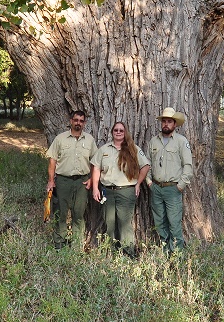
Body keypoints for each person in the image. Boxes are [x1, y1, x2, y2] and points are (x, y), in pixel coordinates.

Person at [90, 121, 150, 257]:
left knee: (124, 224)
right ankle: (111, 254)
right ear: (112, 132)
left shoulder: (133, 148)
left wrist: (138, 183)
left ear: (125, 133)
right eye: (116, 130)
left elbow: (145, 166)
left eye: (121, 130)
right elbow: (96, 168)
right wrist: (95, 188)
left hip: (126, 192)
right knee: (109, 223)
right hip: (107, 192)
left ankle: (129, 253)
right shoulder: (104, 149)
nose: (118, 132)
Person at [46, 110, 97, 249]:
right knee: (61, 213)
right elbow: (52, 161)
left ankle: (76, 247)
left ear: (84, 123)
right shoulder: (60, 139)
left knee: (78, 214)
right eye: (76, 120)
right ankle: (59, 245)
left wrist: (92, 179)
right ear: (71, 121)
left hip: (82, 182)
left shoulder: (90, 140)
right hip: (63, 181)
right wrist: (51, 181)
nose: (78, 123)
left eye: (81, 121)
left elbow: (95, 163)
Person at [145, 107, 193, 254]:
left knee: (174, 223)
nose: (166, 124)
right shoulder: (154, 141)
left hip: (173, 189)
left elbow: (188, 165)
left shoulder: (181, 141)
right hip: (156, 188)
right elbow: (147, 163)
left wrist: (181, 185)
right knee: (160, 223)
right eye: (164, 121)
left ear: (175, 124)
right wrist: (149, 182)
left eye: (169, 122)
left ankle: (177, 255)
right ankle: (165, 253)